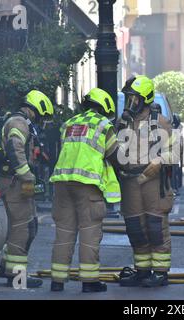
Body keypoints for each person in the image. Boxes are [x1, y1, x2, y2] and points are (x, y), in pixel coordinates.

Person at [48, 88, 121, 293]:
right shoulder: (103, 125)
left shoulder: (69, 124)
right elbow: (115, 155)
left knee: (64, 231)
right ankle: (89, 282)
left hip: (62, 183)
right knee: (89, 232)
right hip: (87, 185)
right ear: (105, 106)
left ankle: (57, 280)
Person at [116, 75, 179, 287]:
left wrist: (159, 162)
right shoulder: (123, 121)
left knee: (155, 227)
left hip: (152, 181)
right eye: (129, 98)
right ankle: (142, 271)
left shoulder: (159, 122)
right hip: (130, 182)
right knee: (135, 227)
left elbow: (176, 151)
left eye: (135, 99)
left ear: (145, 98)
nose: (130, 103)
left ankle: (160, 273)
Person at [0, 90, 54, 288]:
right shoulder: (19, 123)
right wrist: (27, 176)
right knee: (23, 227)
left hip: (19, 182)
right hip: (14, 182)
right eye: (42, 117)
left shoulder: (21, 122)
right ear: (37, 109)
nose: (42, 121)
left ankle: (5, 266)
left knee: (30, 223)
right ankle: (16, 276)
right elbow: (15, 149)